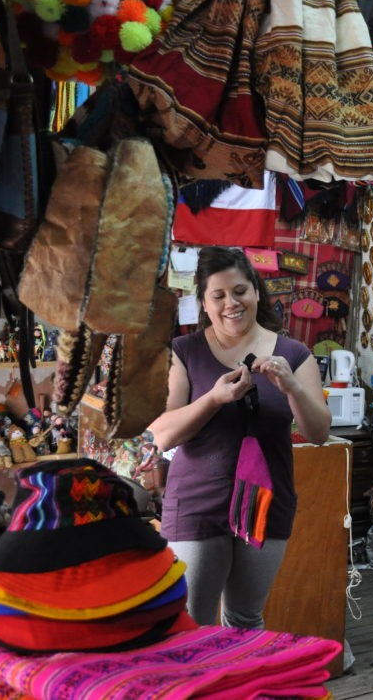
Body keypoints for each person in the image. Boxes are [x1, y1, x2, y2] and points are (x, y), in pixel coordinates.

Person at [148, 247, 331, 628]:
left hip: (266, 501)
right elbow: (163, 435)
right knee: (191, 624)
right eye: (218, 296)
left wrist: (293, 387)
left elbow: (318, 433)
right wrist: (213, 399)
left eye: (240, 291)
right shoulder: (184, 351)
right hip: (197, 503)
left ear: (257, 292)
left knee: (246, 618)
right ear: (204, 303)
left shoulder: (294, 355)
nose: (231, 303)